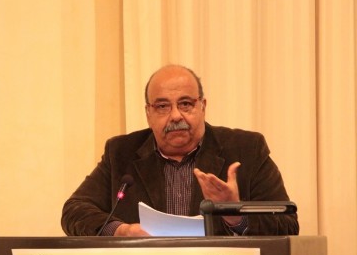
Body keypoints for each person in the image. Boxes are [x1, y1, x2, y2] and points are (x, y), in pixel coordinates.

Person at [61, 64, 299, 236]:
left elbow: (287, 225)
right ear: (148, 113)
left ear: (202, 106)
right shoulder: (121, 153)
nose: (175, 115)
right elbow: (74, 212)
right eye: (162, 106)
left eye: (185, 104)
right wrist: (122, 231)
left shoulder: (246, 150)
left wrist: (234, 213)